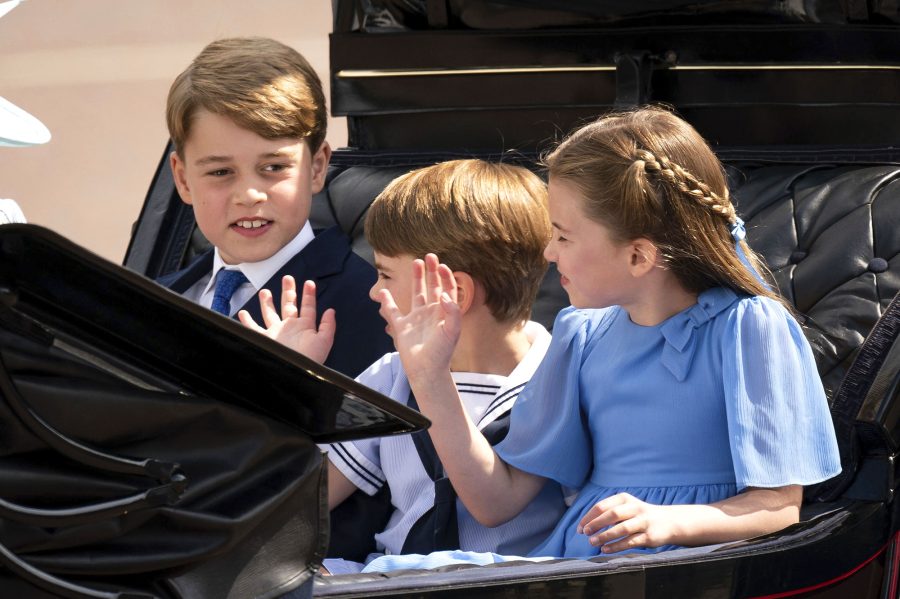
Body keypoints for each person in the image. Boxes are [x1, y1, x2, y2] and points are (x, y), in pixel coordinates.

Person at [356, 106, 841, 571]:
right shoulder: (580, 335)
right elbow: (494, 502)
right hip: (577, 565)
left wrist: (667, 522)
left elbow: (778, 509)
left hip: (686, 569)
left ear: (638, 256)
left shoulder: (749, 328)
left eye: (563, 236)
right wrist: (429, 376)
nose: (548, 253)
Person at [241, 159, 569, 573]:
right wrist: (288, 386)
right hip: (383, 579)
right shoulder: (390, 376)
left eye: (385, 276)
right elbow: (298, 502)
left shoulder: (558, 378)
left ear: (454, 293)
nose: (374, 291)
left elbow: (491, 507)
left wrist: (429, 377)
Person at [157, 37, 392, 377]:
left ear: (316, 167)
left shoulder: (374, 308)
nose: (249, 195)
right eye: (221, 172)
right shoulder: (150, 300)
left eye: (274, 168)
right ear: (182, 179)